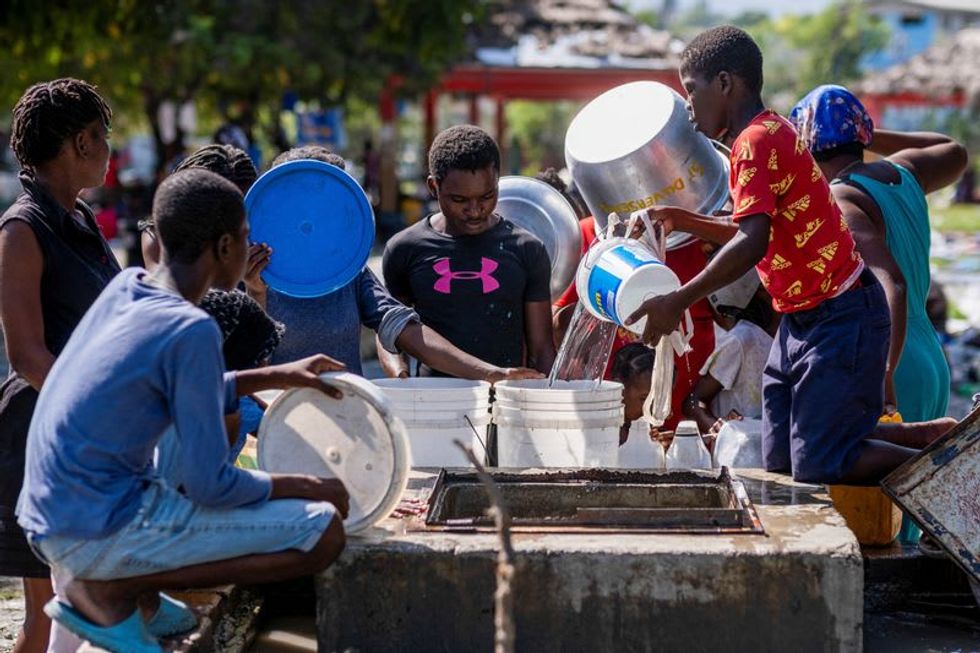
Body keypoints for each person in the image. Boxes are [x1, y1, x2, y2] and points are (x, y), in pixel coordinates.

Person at [17, 169, 350, 653]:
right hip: (94, 531)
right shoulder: (192, 330)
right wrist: (306, 484)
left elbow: (180, 390)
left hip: (46, 514)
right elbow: (210, 485)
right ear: (223, 248)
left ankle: (141, 593)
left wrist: (275, 375)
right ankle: (118, 588)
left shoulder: (129, 287)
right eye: (245, 237)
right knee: (323, 532)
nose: (248, 247)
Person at [627, 26, 951, 485]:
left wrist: (678, 299)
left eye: (691, 90)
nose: (688, 107)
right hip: (801, 321)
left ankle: (941, 450)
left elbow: (752, 241)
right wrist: (684, 219)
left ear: (724, 83)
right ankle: (923, 436)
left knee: (821, 462)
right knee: (778, 459)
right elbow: (758, 231)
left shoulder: (756, 143)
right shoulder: (771, 131)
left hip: (842, 315)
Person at [0, 78, 121, 653]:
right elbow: (27, 356)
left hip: (86, 432)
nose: (108, 151)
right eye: (103, 138)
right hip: (37, 435)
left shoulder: (81, 221)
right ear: (80, 142)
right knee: (45, 624)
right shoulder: (22, 229)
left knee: (83, 610)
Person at [252, 145, 542, 383]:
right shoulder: (247, 274)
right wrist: (256, 295)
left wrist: (491, 374)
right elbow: (240, 375)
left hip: (345, 420)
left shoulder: (350, 274)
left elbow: (403, 327)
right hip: (274, 427)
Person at [789, 85, 967, 423]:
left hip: (892, 363)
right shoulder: (902, 173)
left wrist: (884, 373)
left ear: (807, 154)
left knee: (880, 475)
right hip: (930, 357)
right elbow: (953, 150)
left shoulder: (841, 198)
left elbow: (893, 286)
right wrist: (865, 134)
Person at [382, 126, 556, 377]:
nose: (475, 210)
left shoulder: (527, 249)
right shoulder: (404, 248)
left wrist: (548, 398)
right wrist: (400, 377)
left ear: (497, 182)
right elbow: (390, 327)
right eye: (459, 200)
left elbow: (541, 349)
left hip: (503, 402)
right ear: (434, 187)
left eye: (486, 196)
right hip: (433, 402)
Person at [685, 268, 779, 435]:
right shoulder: (741, 341)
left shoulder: (790, 335)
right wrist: (716, 428)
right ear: (761, 289)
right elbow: (693, 401)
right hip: (740, 452)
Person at [609, 343, 656, 444]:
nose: (652, 409)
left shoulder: (652, 433)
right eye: (644, 399)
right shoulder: (603, 434)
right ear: (620, 391)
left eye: (656, 400)